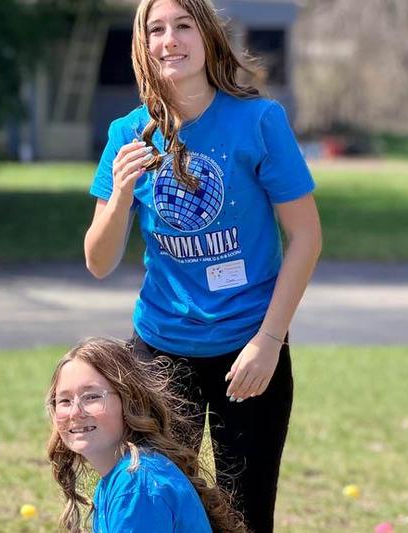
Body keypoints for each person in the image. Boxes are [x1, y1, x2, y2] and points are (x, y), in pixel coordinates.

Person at [84, 0, 322, 531]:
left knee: (245, 514)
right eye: (156, 29)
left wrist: (269, 341)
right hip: (160, 354)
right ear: (143, 46)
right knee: (158, 508)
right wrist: (121, 192)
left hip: (250, 349)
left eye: (184, 25)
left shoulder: (258, 120)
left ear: (208, 36)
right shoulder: (128, 134)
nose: (170, 39)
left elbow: (306, 237)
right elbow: (98, 262)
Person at [47, 337, 246, 532]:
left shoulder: (136, 486)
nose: (75, 412)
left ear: (130, 401)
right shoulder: (121, 479)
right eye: (64, 401)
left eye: (91, 397)